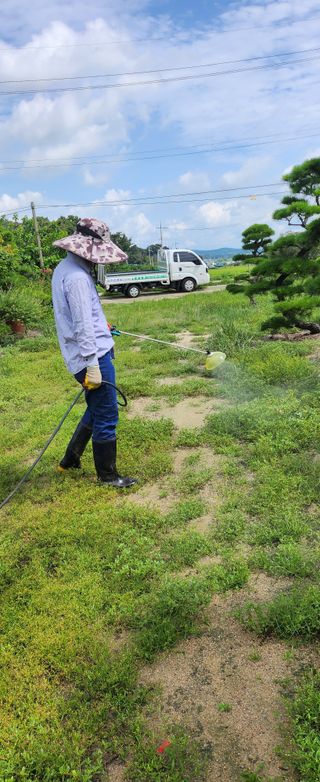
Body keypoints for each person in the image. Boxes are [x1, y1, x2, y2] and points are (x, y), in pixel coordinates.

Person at [51, 217, 136, 489]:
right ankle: (108, 477)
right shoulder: (76, 277)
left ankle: (70, 459)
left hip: (92, 353)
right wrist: (92, 364)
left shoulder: (66, 268)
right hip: (92, 358)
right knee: (108, 414)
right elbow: (81, 326)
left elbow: (84, 317)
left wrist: (104, 327)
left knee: (96, 408)